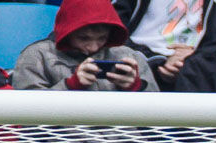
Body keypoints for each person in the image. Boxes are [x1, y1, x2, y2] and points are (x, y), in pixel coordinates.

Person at [13, 0, 159, 92]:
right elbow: (25, 119)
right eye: (84, 38)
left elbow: (159, 116)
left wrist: (136, 87)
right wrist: (70, 86)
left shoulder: (128, 56)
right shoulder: (37, 56)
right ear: (67, 31)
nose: (93, 47)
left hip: (126, 140)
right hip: (62, 140)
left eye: (102, 38)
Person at [113, 0, 206, 87]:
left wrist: (197, 56)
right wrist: (162, 61)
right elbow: (112, 34)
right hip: (138, 64)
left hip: (199, 69)